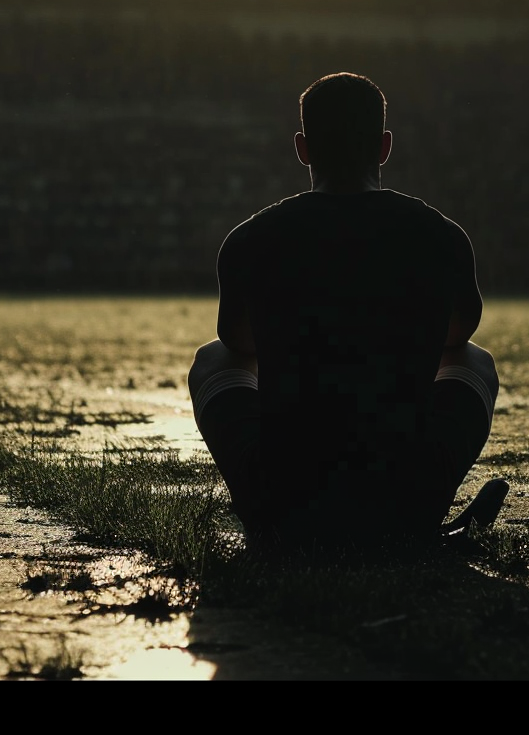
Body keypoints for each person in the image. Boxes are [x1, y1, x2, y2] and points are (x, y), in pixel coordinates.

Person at [187, 72, 503, 557]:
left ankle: (269, 519)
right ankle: (406, 517)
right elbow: (459, 333)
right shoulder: (442, 236)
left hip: (283, 496)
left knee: (212, 360)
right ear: (384, 146)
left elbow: (238, 343)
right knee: (475, 360)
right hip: (405, 492)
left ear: (302, 148)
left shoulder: (249, 240)